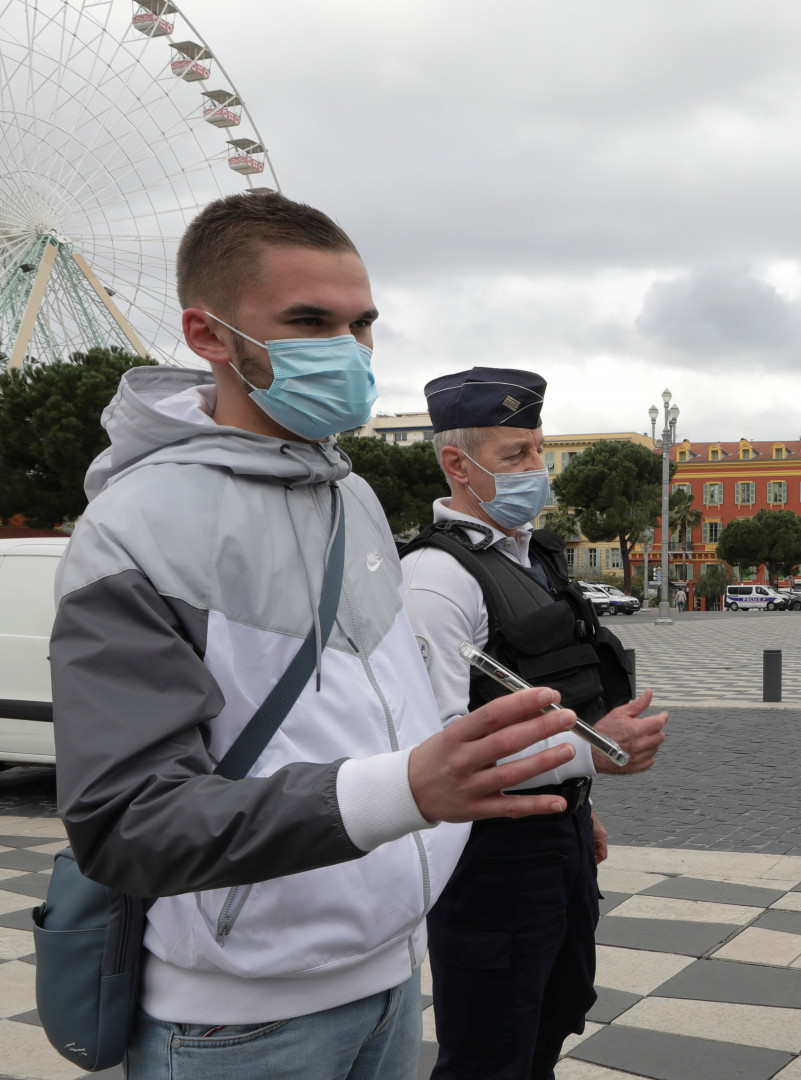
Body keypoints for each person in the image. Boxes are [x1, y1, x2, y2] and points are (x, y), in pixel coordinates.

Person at [52, 192, 587, 1080]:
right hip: (234, 1023)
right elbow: (126, 821)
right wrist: (405, 791)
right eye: (309, 322)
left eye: (362, 324)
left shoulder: (354, 499)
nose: (349, 351)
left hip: (389, 981)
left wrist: (560, 759)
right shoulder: (132, 529)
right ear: (208, 334)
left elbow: (391, 717)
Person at [399, 367, 668, 1080]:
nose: (537, 470)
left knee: (551, 1018)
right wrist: (594, 759)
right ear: (457, 464)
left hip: (558, 835)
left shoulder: (534, 559)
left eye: (538, 451)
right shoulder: (437, 581)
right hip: (491, 859)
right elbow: (435, 752)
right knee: (490, 1051)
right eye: (515, 455)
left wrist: (584, 808)